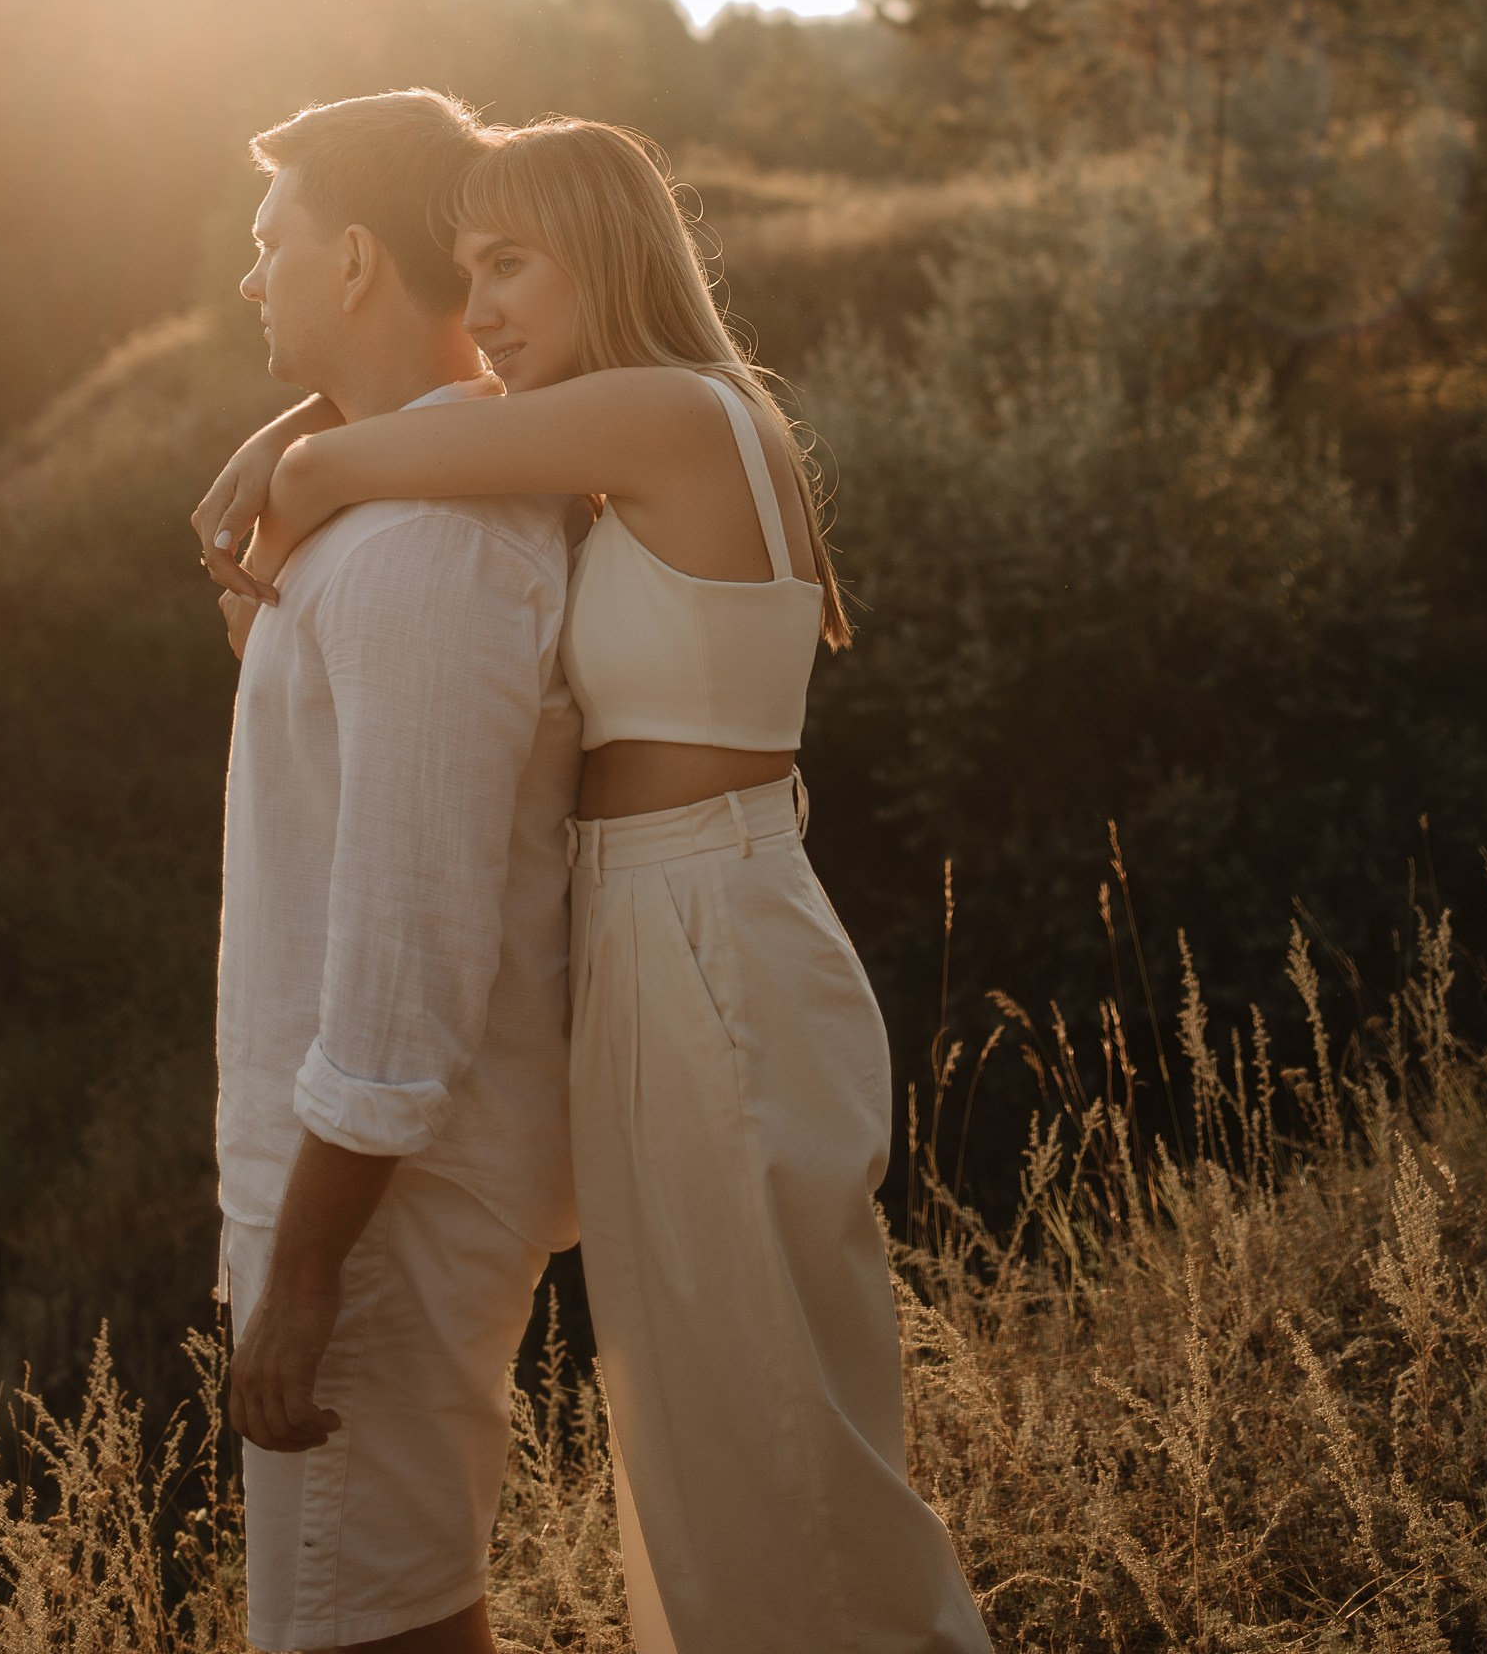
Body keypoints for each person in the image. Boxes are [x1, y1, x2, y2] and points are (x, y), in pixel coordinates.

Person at [197, 116, 992, 1654]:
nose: (484, 308)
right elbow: (385, 452)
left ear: (608, 257)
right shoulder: (618, 442)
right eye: (472, 266)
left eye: (513, 266)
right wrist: (300, 424)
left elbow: (365, 458)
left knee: (777, 1438)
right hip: (656, 939)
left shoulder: (676, 421)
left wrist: (292, 454)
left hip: (708, 940)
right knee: (705, 1436)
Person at [212, 87, 581, 1654]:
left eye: (270, 240)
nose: (251, 279)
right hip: (355, 1184)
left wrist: (306, 1272)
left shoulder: (429, 546)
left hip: (378, 1205)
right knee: (390, 1612)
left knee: (366, 1631)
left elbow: (408, 952)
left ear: (353, 257)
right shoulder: (394, 508)